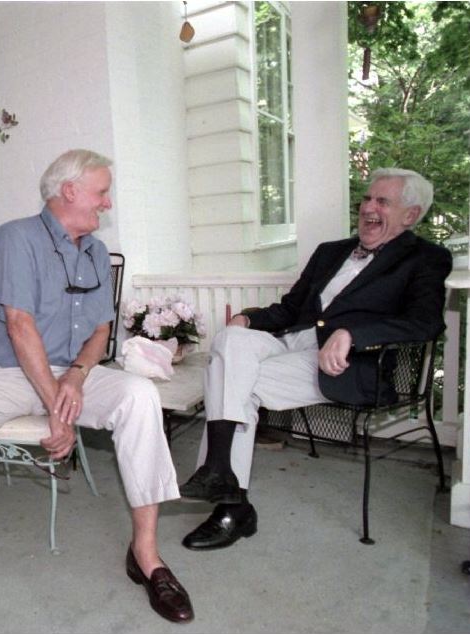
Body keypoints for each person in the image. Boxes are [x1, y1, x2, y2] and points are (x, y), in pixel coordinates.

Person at [0, 149, 195, 624]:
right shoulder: (15, 237)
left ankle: (146, 555)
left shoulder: (97, 252)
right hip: (7, 371)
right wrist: (57, 408)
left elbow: (101, 332)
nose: (107, 203)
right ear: (70, 191)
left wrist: (79, 374)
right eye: (102, 192)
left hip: (71, 374)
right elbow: (20, 326)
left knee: (139, 395)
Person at [178, 167, 453, 550]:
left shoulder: (426, 258)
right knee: (231, 340)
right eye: (367, 199)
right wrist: (249, 319)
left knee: (231, 380)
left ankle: (229, 503)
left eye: (382, 201)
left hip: (344, 363)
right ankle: (222, 474)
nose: (368, 208)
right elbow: (291, 309)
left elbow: (424, 323)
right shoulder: (331, 252)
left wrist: (353, 335)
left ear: (410, 215)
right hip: (291, 344)